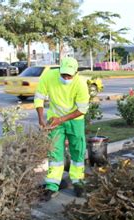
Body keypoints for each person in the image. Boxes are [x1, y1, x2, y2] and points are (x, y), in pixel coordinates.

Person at [34, 57, 90, 201]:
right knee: (54, 153)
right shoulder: (48, 76)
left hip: (75, 121)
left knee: (77, 151)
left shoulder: (81, 84)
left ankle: (78, 181)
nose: (65, 77)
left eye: (69, 75)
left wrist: (62, 119)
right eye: (63, 74)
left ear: (76, 73)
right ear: (59, 69)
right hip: (54, 120)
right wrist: (41, 118)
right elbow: (39, 97)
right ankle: (52, 186)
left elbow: (82, 109)